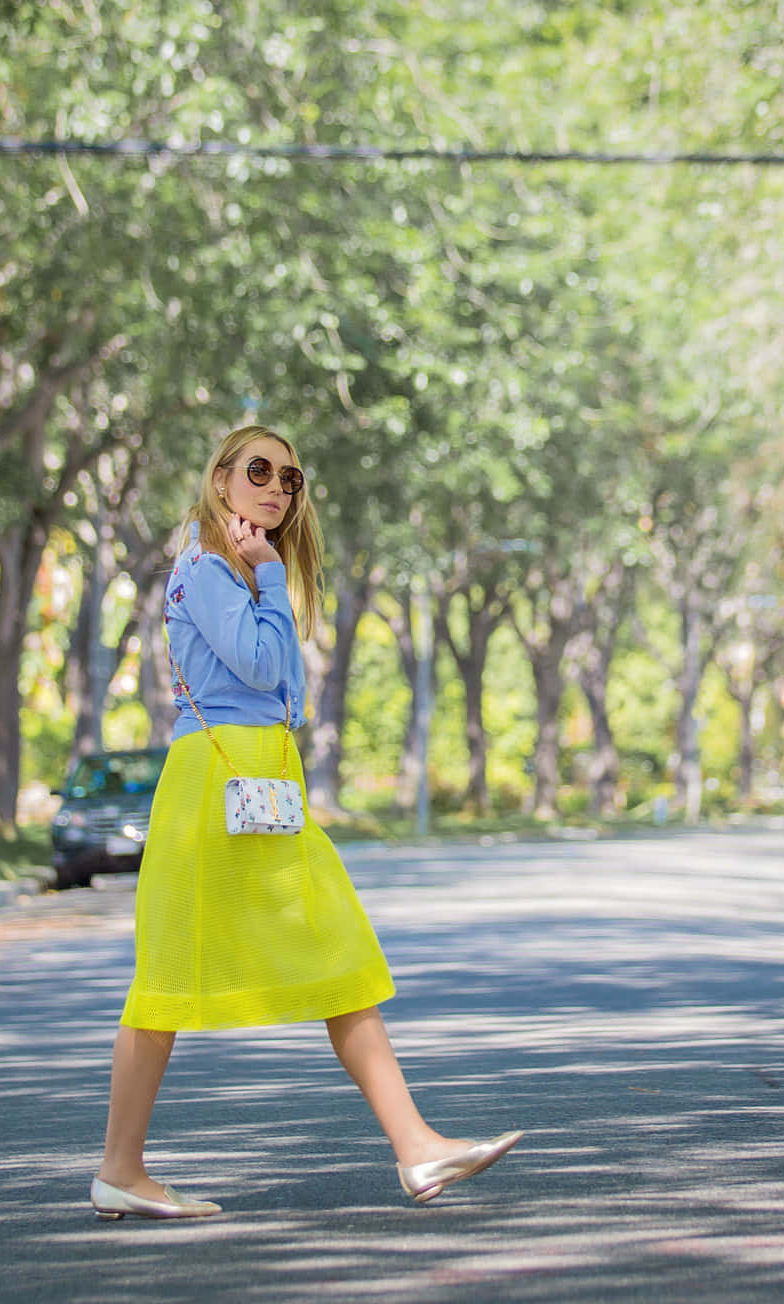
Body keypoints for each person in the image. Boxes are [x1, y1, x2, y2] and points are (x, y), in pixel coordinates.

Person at [91, 425, 521, 1220]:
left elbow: (281, 676)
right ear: (221, 480)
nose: (278, 488)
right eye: (259, 470)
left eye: (291, 478)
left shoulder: (245, 571)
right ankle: (120, 1167)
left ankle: (417, 1147)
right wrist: (265, 577)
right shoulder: (209, 566)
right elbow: (261, 667)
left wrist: (268, 585)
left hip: (260, 784)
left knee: (337, 951)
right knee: (167, 983)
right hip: (211, 792)